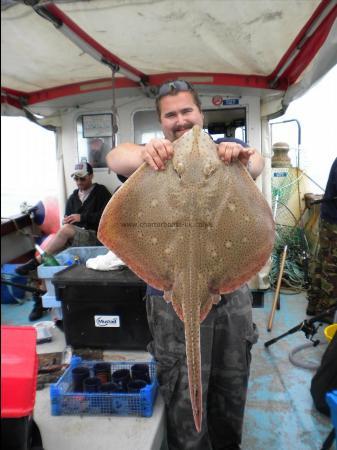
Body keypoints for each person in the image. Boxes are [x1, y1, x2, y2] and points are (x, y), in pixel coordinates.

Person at [106, 80, 265, 450]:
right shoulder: (154, 158)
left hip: (226, 284)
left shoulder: (229, 150)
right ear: (161, 121)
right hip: (169, 286)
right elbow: (117, 157)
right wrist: (145, 151)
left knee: (230, 381)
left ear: (200, 114)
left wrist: (239, 157)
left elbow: (256, 160)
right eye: (170, 114)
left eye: (186, 111)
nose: (180, 120)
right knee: (183, 387)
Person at [16, 161, 111, 320]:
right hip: (73, 237)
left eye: (83, 179)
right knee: (47, 262)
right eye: (76, 179)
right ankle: (39, 301)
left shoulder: (101, 192)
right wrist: (67, 221)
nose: (79, 183)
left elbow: (108, 218)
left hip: (93, 237)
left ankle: (37, 260)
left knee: (64, 233)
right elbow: (66, 221)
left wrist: (83, 217)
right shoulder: (73, 197)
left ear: (91, 176)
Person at [306, 158, 337, 320]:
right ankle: (325, 311)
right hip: (333, 223)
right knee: (332, 268)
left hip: (329, 218)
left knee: (322, 261)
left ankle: (314, 305)